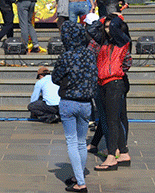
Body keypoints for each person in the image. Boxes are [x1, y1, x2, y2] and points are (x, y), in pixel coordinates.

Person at [51, 21, 98, 191]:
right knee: (80, 142)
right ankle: (78, 175)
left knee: (71, 142)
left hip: (69, 102)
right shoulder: (90, 55)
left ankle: (80, 183)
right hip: (86, 104)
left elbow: (55, 78)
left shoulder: (66, 56)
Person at [88, 15, 132, 171]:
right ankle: (124, 152)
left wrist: (116, 70)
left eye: (110, 27)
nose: (108, 30)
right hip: (103, 82)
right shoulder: (101, 41)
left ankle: (112, 156)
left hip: (114, 82)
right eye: (105, 27)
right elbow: (91, 30)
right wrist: (102, 21)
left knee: (114, 119)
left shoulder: (122, 41)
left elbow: (127, 63)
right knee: (110, 118)